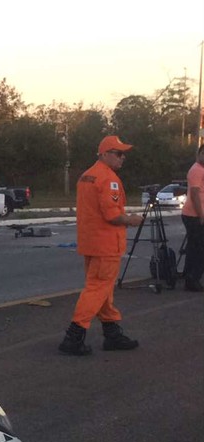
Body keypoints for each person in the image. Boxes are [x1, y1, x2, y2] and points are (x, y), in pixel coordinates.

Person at [58, 136, 144, 356]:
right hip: (107, 243)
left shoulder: (86, 176)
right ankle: (74, 336)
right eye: (118, 153)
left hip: (90, 242)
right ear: (105, 154)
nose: (122, 158)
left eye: (123, 154)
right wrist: (132, 219)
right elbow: (112, 215)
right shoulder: (109, 179)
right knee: (97, 289)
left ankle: (112, 333)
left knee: (102, 289)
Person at [181, 144, 204, 292]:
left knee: (194, 247)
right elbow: (195, 194)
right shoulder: (196, 170)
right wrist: (201, 215)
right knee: (199, 249)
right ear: (199, 153)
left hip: (196, 215)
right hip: (194, 215)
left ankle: (189, 276)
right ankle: (193, 280)